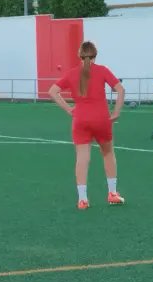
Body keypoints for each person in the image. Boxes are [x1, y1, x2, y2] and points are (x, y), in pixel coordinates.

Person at [49, 41, 125, 209]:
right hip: (101, 119)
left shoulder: (71, 74)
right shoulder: (102, 70)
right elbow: (120, 89)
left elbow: (52, 91)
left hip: (81, 120)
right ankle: (112, 193)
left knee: (82, 158)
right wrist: (116, 112)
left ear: (80, 56)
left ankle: (82, 199)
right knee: (107, 153)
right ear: (95, 55)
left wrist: (69, 110)